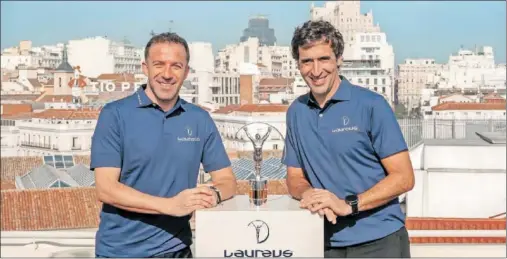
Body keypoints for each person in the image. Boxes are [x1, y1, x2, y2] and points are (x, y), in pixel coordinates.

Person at [91, 32, 237, 258]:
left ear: (186, 72)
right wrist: (170, 206)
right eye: (159, 65)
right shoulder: (115, 115)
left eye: (176, 66)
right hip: (120, 252)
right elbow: (106, 188)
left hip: (177, 250)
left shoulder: (199, 119)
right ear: (145, 67)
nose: (167, 74)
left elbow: (227, 180)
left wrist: (212, 194)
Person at [282, 20, 415, 258]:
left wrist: (348, 204)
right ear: (298, 65)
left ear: (339, 59)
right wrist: (307, 193)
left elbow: (404, 177)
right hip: (324, 242)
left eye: (324, 59)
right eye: (307, 61)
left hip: (380, 241)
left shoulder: (371, 105)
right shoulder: (296, 112)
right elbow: (294, 177)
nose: (316, 70)